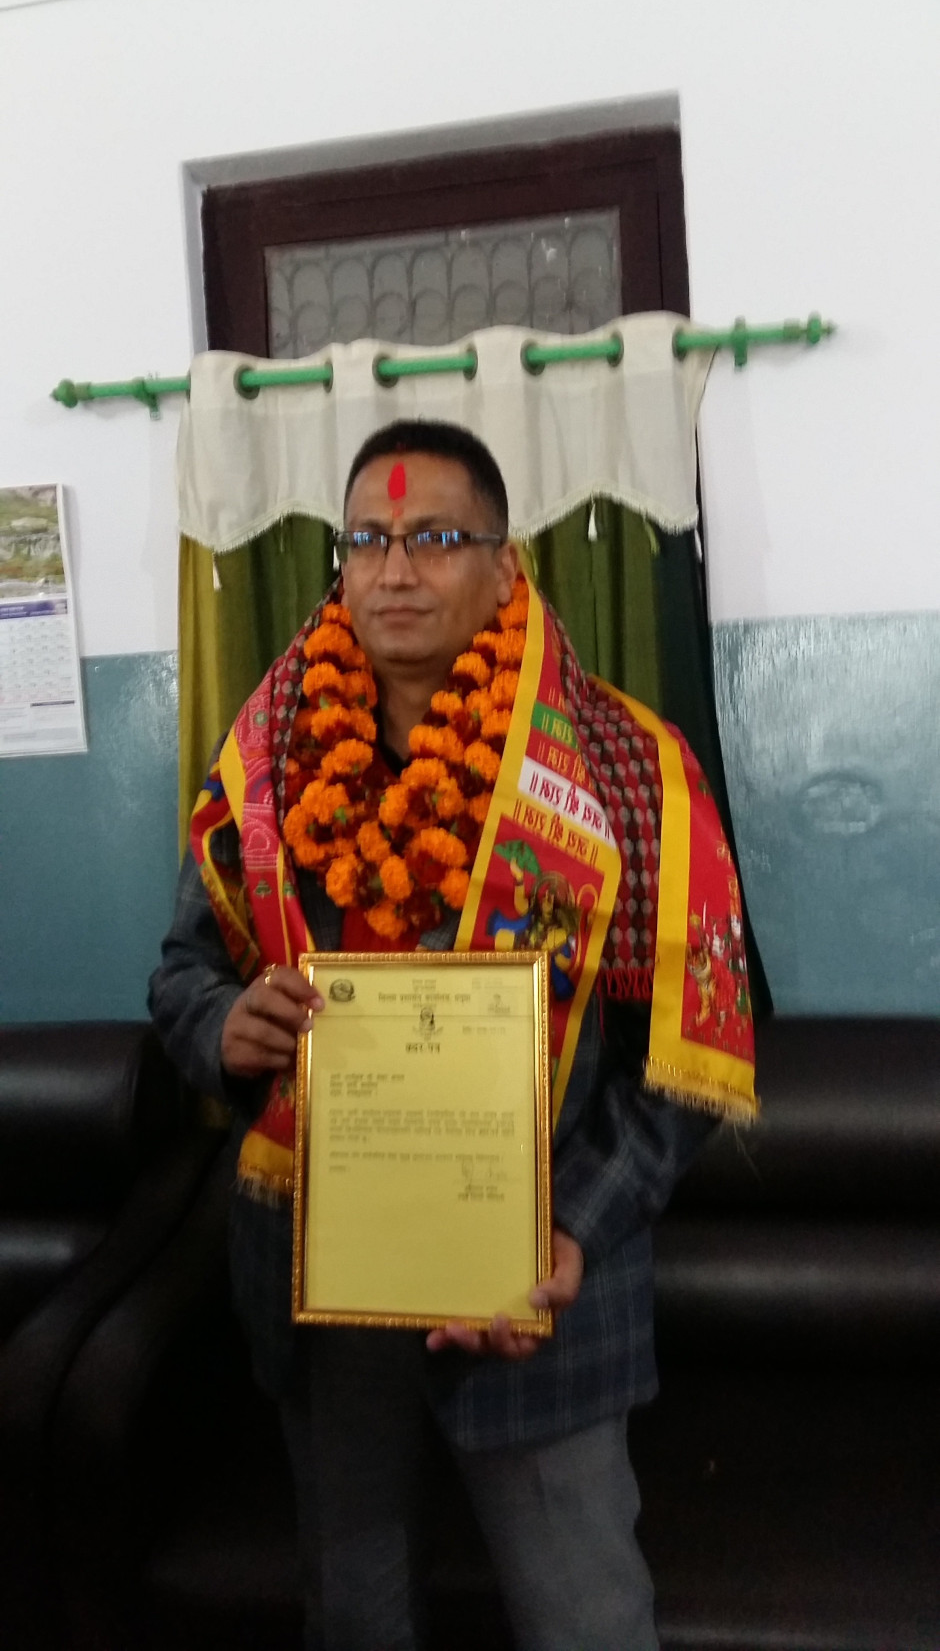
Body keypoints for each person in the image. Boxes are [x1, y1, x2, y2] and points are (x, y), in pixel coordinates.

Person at [149, 419, 755, 1651]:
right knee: (355, 1616)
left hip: (535, 1287)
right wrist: (226, 1026)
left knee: (585, 1621)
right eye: (366, 540)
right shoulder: (266, 764)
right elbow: (181, 976)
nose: (394, 570)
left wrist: (570, 1226)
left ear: (503, 559)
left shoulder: (626, 769)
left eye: (433, 537)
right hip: (325, 1285)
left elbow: (690, 1059)